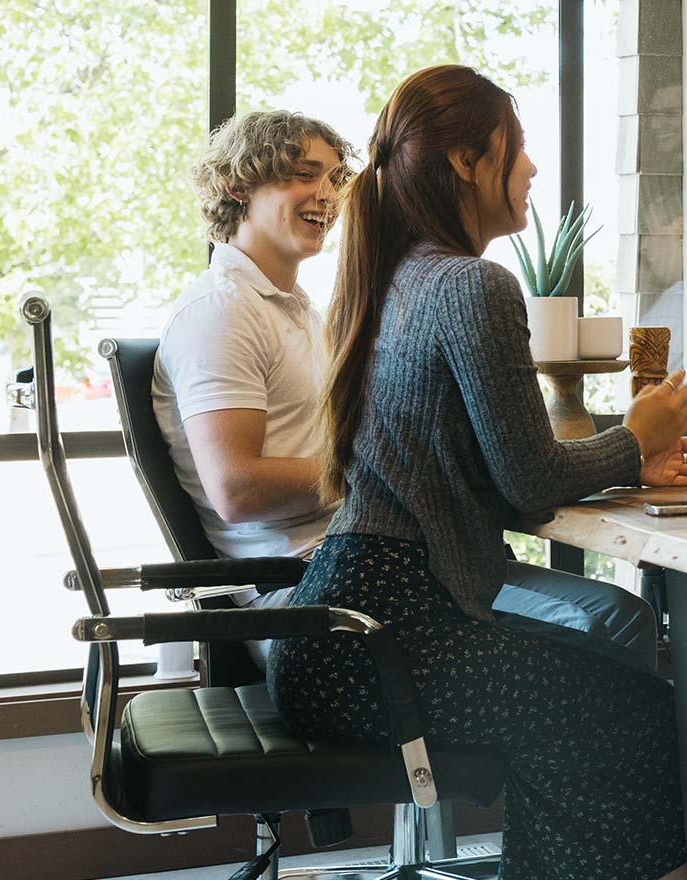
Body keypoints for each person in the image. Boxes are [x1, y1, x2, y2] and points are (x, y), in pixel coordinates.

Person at [266, 66, 687, 880]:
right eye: (522, 146)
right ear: (469, 161)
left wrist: (629, 457)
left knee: (599, 711)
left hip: (339, 632)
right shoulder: (473, 285)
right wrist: (637, 439)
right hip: (385, 639)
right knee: (635, 713)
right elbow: (533, 479)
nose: (535, 168)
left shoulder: (393, 278)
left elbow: (499, 474)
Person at [154, 109, 657, 672]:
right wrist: (392, 475)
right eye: (303, 174)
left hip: (364, 562)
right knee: (611, 619)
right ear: (237, 184)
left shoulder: (303, 313)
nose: (326, 194)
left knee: (613, 613)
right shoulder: (221, 311)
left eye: (335, 178)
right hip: (309, 590)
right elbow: (237, 490)